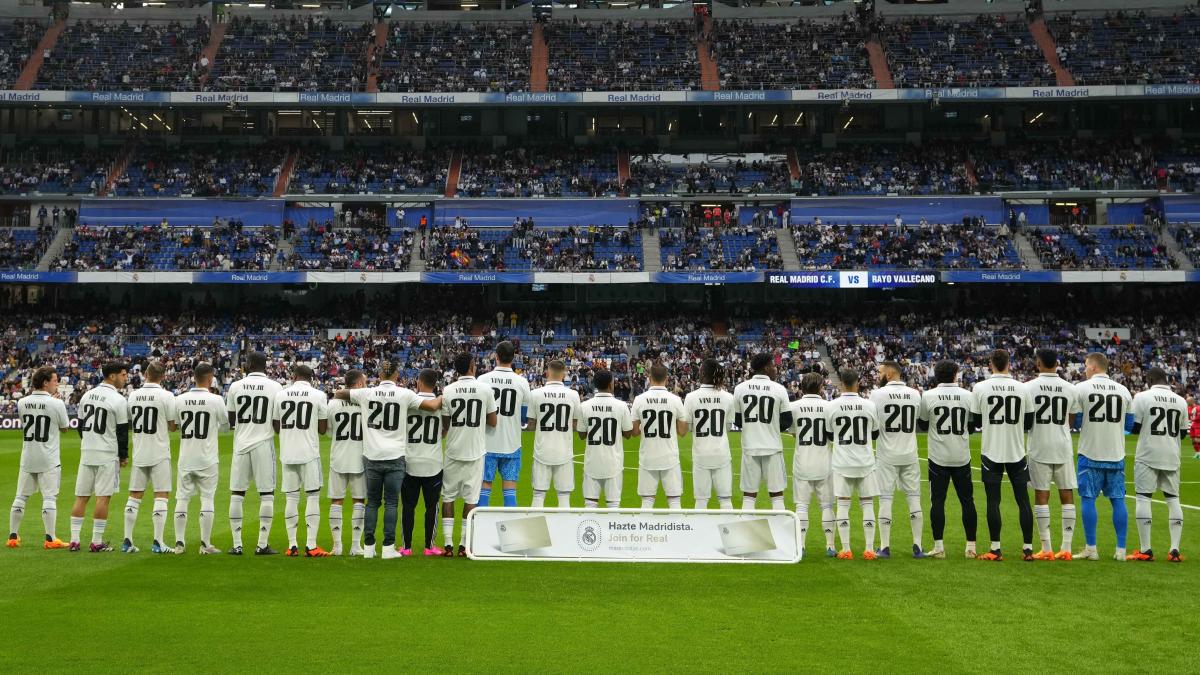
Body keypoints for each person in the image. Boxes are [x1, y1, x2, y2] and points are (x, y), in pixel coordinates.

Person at [334, 361, 442, 559]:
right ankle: (388, 548)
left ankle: (368, 548)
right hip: (395, 456)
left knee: (373, 502)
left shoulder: (366, 393)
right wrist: (446, 395)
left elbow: (339, 393)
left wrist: (357, 393)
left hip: (372, 455)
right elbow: (433, 405)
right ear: (396, 375)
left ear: (379, 374)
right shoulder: (405, 393)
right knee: (392, 503)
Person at [972, 349, 1034, 561]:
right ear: (1009, 363)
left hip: (992, 451)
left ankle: (995, 548)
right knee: (1023, 500)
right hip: (1016, 450)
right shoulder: (1022, 388)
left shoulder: (980, 387)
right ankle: (1027, 549)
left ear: (990, 363)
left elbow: (977, 422)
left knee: (993, 500)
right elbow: (1028, 423)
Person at [1074, 352, 1133, 561]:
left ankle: (1091, 548)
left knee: (1088, 498)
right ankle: (1121, 550)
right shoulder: (1124, 390)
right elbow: (1129, 425)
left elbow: (1076, 421)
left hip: (1090, 452)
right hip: (1116, 453)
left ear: (1094, 367)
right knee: (1118, 500)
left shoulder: (1081, 388)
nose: (1084, 369)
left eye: (1086, 365)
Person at [918, 360, 978, 559]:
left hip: (938, 457)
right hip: (961, 455)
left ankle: (939, 547)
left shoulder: (928, 395)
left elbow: (924, 424)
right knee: (967, 501)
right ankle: (971, 547)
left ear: (936, 375)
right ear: (955, 374)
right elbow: (972, 426)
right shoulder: (968, 395)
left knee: (937, 502)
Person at [225, 352, 283, 555]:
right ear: (265, 366)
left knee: (237, 493)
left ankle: (237, 544)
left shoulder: (235, 386)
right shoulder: (276, 387)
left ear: (249, 364)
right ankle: (261, 544)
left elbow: (231, 419)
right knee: (266, 494)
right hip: (263, 443)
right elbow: (277, 423)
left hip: (241, 443)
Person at [1024, 349, 1080, 561]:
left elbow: (1026, 419)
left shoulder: (1028, 387)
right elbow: (1072, 419)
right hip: (1062, 445)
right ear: (1057, 363)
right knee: (1067, 495)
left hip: (1039, 445)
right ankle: (1066, 548)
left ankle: (1046, 547)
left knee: (1041, 495)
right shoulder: (1070, 388)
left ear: (1038, 363)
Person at [440, 354, 498, 558]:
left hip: (454, 450)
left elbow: (445, 424)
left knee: (448, 497)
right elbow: (493, 421)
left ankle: (447, 545)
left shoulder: (448, 390)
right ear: (473, 367)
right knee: (471, 499)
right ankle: (464, 545)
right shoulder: (485, 389)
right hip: (475, 451)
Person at [8, 366, 71, 550]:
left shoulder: (22, 402)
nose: (57, 384)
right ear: (45, 382)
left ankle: (13, 536)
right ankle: (50, 538)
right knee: (49, 497)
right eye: (54, 380)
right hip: (49, 458)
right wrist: (57, 405)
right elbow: (65, 427)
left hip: (28, 456)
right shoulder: (56, 403)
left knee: (20, 496)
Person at [1128, 368, 1188, 562]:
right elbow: (1183, 433)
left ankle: (1146, 550)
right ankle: (1174, 550)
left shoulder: (1142, 397)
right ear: (1166, 379)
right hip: (1171, 454)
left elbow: (1135, 428)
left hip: (1148, 454)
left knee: (1144, 498)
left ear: (1149, 379)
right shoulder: (1180, 401)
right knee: (1173, 499)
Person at [70, 361, 130, 553]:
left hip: (87, 452)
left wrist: (89, 441)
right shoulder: (119, 400)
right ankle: (96, 541)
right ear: (112, 376)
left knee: (81, 497)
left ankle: (74, 540)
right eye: (123, 374)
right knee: (103, 498)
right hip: (107, 454)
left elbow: (79, 425)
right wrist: (123, 456)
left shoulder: (87, 395)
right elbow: (122, 432)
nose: (125, 378)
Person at [272, 364, 330, 558]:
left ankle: (292, 545)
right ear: (310, 378)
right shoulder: (319, 395)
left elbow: (277, 426)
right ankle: (311, 545)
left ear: (294, 376)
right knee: (312, 496)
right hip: (309, 453)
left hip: (288, 453)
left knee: (291, 498)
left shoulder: (280, 394)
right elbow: (323, 429)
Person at [869, 361, 925, 559]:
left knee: (885, 498)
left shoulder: (877, 395)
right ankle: (917, 545)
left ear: (890, 373)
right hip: (909, 452)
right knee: (914, 498)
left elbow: (873, 424)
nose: (878, 375)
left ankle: (885, 547)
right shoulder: (915, 393)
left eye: (880, 372)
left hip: (887, 454)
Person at [173, 363, 230, 555]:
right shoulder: (216, 399)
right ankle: (205, 544)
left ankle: (179, 544)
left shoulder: (179, 399)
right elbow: (225, 426)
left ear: (193, 377)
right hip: (207, 457)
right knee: (207, 498)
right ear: (210, 378)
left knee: (182, 498)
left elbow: (177, 425)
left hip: (186, 457)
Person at [122, 362, 177, 554]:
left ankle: (127, 541)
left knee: (134, 495)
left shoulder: (133, 395)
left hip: (139, 450)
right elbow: (172, 426)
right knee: (161, 495)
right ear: (163, 377)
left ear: (145, 374)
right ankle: (158, 542)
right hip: (159, 451)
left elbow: (130, 420)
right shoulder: (167, 396)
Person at [826, 368, 878, 560]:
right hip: (865, 461)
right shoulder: (869, 405)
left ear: (841, 384)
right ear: (858, 383)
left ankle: (846, 549)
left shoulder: (832, 406)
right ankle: (870, 549)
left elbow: (830, 434)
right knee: (867, 504)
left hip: (842, 462)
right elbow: (875, 433)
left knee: (843, 504)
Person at [733, 353, 792, 511]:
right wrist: (771, 427)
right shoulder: (779, 389)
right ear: (766, 367)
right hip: (772, 447)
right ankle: (779, 532)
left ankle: (747, 533)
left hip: (750, 447)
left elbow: (738, 421)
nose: (775, 368)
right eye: (773, 365)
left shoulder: (739, 389)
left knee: (749, 496)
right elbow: (787, 420)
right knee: (777, 496)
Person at [477, 341, 529, 508]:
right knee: (510, 490)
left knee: (484, 487)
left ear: (496, 357)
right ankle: (510, 533)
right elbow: (524, 416)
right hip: (511, 443)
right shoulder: (522, 382)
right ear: (513, 358)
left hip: (486, 443)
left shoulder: (483, 379)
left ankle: (480, 531)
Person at [789, 372, 836, 557]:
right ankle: (830, 545)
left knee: (801, 506)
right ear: (821, 388)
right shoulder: (829, 406)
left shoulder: (794, 406)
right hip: (824, 462)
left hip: (803, 462)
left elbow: (793, 432)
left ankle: (800, 546)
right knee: (827, 506)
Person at [631, 362, 688, 510]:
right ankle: (677, 533)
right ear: (667, 379)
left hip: (647, 457)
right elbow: (683, 432)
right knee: (674, 501)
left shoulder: (639, 399)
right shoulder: (675, 400)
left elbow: (634, 432)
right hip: (670, 456)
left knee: (647, 502)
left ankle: (646, 533)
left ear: (649, 378)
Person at [526, 360, 582, 508]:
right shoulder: (573, 395)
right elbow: (576, 424)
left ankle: (536, 531)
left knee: (538, 495)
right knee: (564, 496)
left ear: (547, 372)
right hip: (564, 451)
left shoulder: (535, 394)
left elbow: (531, 425)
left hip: (542, 451)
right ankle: (564, 531)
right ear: (564, 374)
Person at [682, 359, 735, 509]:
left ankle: (701, 533)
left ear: (703, 373)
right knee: (725, 501)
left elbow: (690, 428)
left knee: (701, 501)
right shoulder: (729, 398)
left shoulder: (691, 397)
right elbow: (728, 427)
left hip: (700, 455)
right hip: (722, 453)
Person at [578, 370, 634, 509]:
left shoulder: (584, 406)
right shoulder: (621, 406)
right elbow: (628, 434)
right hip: (613, 462)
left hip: (592, 461)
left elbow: (581, 434)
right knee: (613, 505)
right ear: (611, 384)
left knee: (590, 504)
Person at [403, 369, 443, 557]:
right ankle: (429, 546)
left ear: (419, 382)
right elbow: (445, 429)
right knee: (432, 506)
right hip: (433, 461)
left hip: (410, 460)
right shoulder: (442, 403)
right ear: (435, 383)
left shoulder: (408, 401)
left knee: (408, 505)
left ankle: (406, 546)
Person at [326, 370, 366, 556]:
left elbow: (328, 431)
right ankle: (356, 546)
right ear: (358, 385)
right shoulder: (366, 403)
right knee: (359, 500)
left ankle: (337, 546)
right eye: (364, 382)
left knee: (337, 500)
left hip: (339, 456)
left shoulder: (332, 403)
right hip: (360, 456)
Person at [1188, 395, 1200, 460]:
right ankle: (1197, 453)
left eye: (1188, 401)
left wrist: (1193, 419)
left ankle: (1199, 453)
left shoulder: (1198, 408)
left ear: (1192, 401)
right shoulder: (1188, 408)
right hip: (1192, 425)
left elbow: (1199, 417)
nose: (1187, 402)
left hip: (1198, 425)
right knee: (1193, 440)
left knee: (1197, 439)